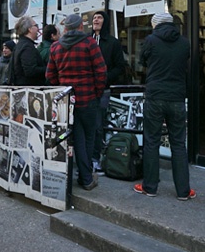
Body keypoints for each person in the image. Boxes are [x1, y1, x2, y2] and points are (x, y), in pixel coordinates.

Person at [135, 12, 195, 201]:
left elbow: (142, 61)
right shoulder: (184, 42)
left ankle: (150, 187)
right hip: (177, 96)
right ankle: (184, 191)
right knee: (179, 143)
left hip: (155, 95)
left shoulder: (151, 40)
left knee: (151, 141)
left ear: (155, 25)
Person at [46, 13, 107, 191]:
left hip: (67, 101)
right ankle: (86, 177)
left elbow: (50, 75)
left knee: (76, 138)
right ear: (81, 26)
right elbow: (101, 72)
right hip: (87, 99)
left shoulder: (55, 47)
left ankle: (83, 177)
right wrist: (96, 93)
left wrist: (63, 88)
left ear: (65, 28)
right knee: (88, 138)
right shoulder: (90, 43)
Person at [89, 11, 128, 171]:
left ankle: (95, 158)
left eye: (99, 17)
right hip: (86, 89)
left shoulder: (113, 43)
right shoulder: (87, 40)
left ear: (105, 22)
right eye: (94, 18)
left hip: (103, 90)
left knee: (98, 125)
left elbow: (120, 66)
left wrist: (105, 78)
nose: (96, 20)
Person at [10, 16, 46, 86]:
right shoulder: (27, 47)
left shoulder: (21, 44)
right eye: (36, 26)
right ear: (29, 29)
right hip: (29, 89)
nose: (38, 29)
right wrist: (47, 69)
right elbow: (30, 71)